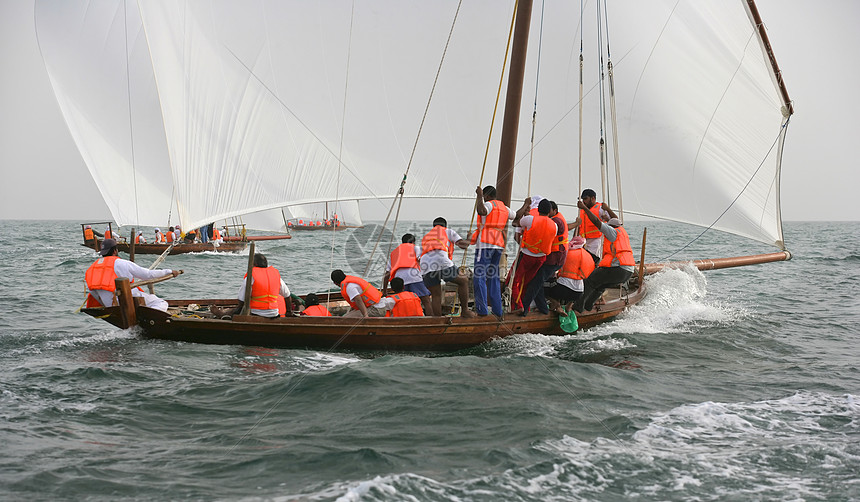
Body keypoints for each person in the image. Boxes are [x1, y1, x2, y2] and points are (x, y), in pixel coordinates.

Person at [84, 238, 180, 312]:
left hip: (110, 305)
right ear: (115, 251)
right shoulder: (122, 263)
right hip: (127, 300)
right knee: (161, 303)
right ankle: (148, 321)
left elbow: (93, 291)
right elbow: (148, 275)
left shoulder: (92, 267)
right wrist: (169, 271)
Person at [573, 202, 635, 313]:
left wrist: (585, 208)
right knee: (600, 285)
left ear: (610, 226)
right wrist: (608, 214)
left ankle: (578, 307)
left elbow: (597, 222)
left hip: (618, 268)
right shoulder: (622, 231)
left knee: (590, 281)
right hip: (628, 271)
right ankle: (588, 305)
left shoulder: (612, 231)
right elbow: (615, 219)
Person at [471, 185, 515, 318]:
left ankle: (482, 310)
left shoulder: (488, 205)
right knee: (493, 278)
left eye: (484, 196)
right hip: (498, 245)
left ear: (488, 196)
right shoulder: (504, 208)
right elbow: (516, 215)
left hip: (485, 244)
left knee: (479, 277)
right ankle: (497, 310)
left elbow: (481, 211)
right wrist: (525, 205)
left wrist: (479, 196)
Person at [511, 198, 560, 315]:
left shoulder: (530, 219)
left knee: (515, 281)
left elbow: (516, 221)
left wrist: (525, 205)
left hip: (527, 256)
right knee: (528, 282)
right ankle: (524, 306)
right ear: (549, 212)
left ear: (537, 209)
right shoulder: (555, 225)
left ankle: (518, 306)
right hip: (541, 258)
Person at [418, 217, 475, 317]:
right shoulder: (448, 231)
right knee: (463, 281)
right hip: (440, 260)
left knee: (436, 295)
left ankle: (437, 319)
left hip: (425, 264)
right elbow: (463, 245)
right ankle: (465, 311)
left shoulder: (427, 236)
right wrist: (469, 238)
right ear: (445, 225)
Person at [212, 254, 292, 318]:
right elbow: (287, 296)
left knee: (236, 311)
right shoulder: (276, 276)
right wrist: (288, 312)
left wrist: (237, 311)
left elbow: (241, 300)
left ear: (254, 264)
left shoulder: (251, 276)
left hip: (256, 313)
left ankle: (222, 315)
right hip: (274, 313)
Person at [382, 233, 432, 315]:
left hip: (400, 279)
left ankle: (403, 319)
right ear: (413, 242)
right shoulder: (415, 247)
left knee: (403, 301)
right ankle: (431, 320)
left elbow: (387, 274)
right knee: (426, 300)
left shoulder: (394, 252)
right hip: (414, 276)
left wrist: (384, 291)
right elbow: (423, 260)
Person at [546, 236, 595, 313]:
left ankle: (557, 305)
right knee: (564, 287)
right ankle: (569, 306)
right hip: (579, 292)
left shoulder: (566, 253)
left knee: (545, 288)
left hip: (563, 289)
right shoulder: (587, 255)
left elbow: (556, 269)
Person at [571, 189, 617, 264]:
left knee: (593, 260)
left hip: (595, 239)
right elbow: (579, 226)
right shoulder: (582, 210)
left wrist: (607, 212)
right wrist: (574, 239)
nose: (583, 201)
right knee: (581, 259)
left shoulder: (601, 208)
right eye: (583, 199)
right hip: (583, 239)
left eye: (585, 199)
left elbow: (615, 220)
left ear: (593, 198)